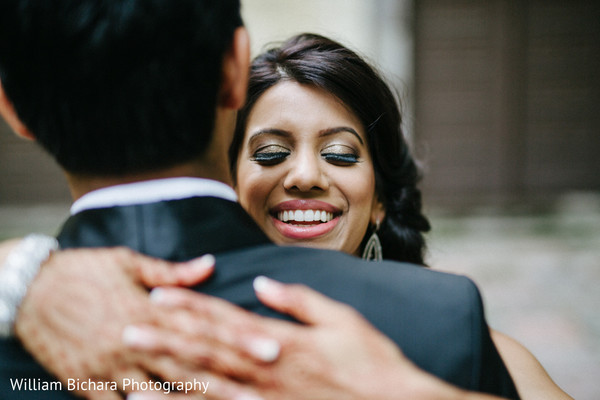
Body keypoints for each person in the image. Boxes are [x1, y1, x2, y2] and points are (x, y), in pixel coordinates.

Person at [0, 2, 520, 400]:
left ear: (12, 109)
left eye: (340, 153)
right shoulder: (442, 320)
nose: (305, 176)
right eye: (272, 151)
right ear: (234, 70)